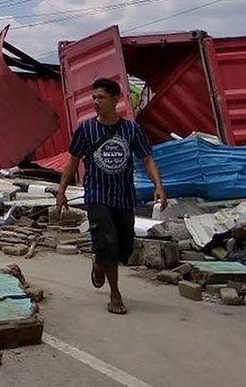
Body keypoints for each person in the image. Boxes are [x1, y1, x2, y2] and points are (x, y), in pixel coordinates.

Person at [55, 77, 166, 315]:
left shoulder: (131, 130)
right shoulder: (86, 129)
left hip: (124, 197)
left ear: (116, 99)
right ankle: (115, 294)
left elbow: (147, 159)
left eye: (101, 97)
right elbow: (73, 160)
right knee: (108, 243)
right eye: (93, 97)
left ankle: (99, 262)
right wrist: (61, 190)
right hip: (97, 195)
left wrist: (159, 186)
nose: (95, 102)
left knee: (124, 248)